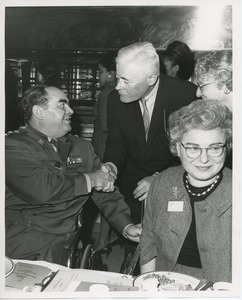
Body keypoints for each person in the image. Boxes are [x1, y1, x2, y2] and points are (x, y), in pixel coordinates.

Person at [5, 85, 141, 266]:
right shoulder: (12, 147)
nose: (70, 110)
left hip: (70, 239)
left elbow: (105, 193)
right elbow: (43, 189)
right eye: (62, 105)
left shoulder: (81, 147)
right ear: (39, 112)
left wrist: (126, 226)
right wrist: (91, 178)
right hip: (26, 243)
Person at [102, 41, 197, 270]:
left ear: (152, 79)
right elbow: (116, 145)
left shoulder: (186, 95)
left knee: (170, 252)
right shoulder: (115, 100)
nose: (117, 86)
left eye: (125, 80)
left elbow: (195, 154)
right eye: (117, 77)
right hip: (132, 186)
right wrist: (110, 167)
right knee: (137, 251)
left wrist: (159, 178)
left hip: (175, 183)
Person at [140, 100, 232, 283]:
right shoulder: (161, 183)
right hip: (165, 283)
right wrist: (147, 285)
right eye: (193, 148)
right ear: (177, 148)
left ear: (226, 147)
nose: (204, 159)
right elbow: (148, 243)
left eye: (214, 148)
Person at [91, 52, 118, 252]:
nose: (98, 77)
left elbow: (106, 125)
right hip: (108, 144)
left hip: (103, 145)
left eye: (100, 72)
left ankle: (102, 240)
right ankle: (106, 238)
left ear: (111, 74)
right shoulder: (115, 93)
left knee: (102, 190)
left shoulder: (107, 94)